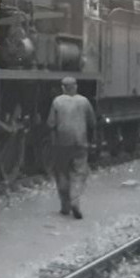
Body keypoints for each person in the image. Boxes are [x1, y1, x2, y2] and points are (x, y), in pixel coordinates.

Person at [46, 77, 96, 218]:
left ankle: (65, 206)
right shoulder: (84, 101)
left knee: (62, 173)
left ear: (63, 88)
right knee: (79, 173)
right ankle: (75, 200)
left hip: (62, 144)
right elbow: (92, 122)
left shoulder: (57, 101)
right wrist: (90, 141)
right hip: (81, 143)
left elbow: (50, 124)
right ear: (76, 87)